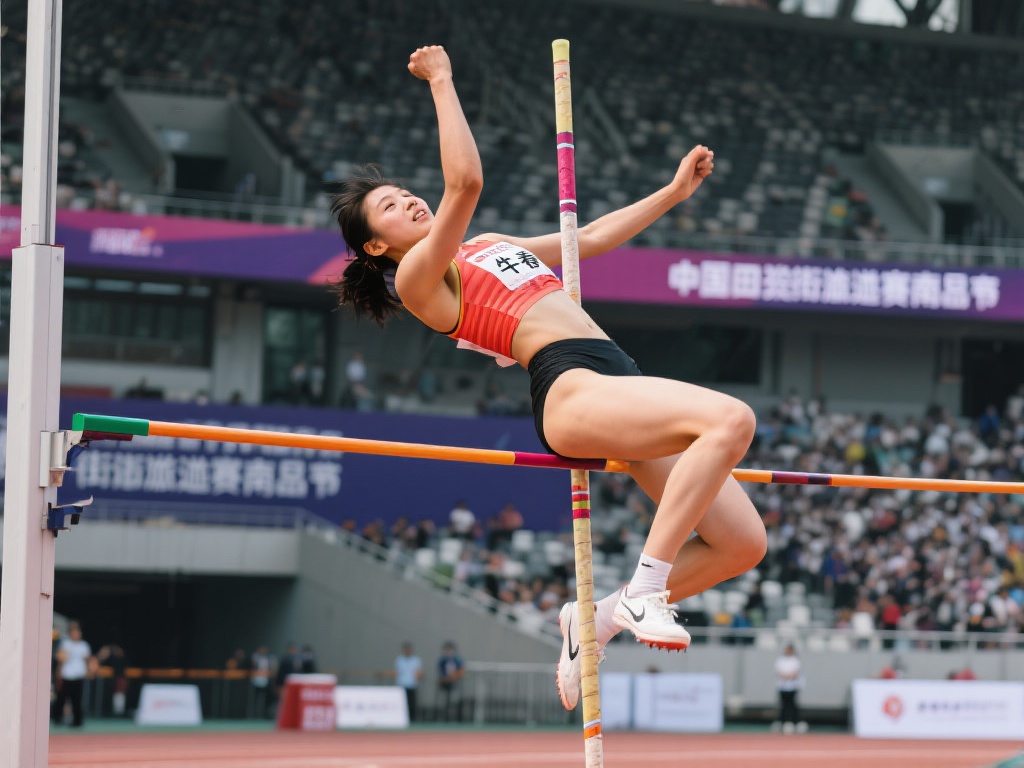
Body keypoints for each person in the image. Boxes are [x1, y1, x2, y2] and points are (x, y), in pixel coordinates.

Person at [329, 45, 766, 713]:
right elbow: (464, 184)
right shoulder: (418, 279)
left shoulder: (488, 245)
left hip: (615, 375)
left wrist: (674, 193)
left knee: (741, 545)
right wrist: (442, 80)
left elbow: (588, 239)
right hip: (569, 387)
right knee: (732, 419)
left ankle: (594, 618)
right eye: (390, 206)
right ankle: (646, 589)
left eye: (404, 191)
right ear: (376, 246)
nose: (409, 200)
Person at [52, 622, 92, 727]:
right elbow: (60, 659)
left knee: (76, 700)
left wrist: (89, 670)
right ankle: (57, 719)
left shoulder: (84, 645)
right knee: (61, 699)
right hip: (66, 675)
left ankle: (77, 721)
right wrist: (59, 672)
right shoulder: (65, 643)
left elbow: (88, 660)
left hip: (78, 676)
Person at [773, 644, 806, 734]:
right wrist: (785, 676)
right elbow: (779, 672)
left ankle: (794, 722)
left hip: (793, 686)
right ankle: (782, 722)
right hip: (782, 686)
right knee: (783, 705)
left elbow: (796, 672)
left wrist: (789, 676)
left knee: (792, 704)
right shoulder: (780, 660)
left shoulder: (796, 660)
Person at [393, 642, 423, 721]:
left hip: (412, 684)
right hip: (402, 684)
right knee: (402, 703)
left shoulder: (416, 660)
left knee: (412, 703)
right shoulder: (399, 660)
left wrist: (418, 676)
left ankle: (412, 718)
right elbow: (397, 671)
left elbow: (419, 671)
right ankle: (402, 718)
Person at [436, 640, 464, 721]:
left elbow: (461, 671)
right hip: (445, 683)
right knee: (444, 701)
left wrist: (453, 678)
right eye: (446, 649)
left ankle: (456, 718)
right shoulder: (442, 660)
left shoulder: (457, 660)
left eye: (449, 649)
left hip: (455, 683)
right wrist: (444, 679)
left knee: (454, 700)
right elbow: (440, 672)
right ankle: (444, 717)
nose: (448, 651)